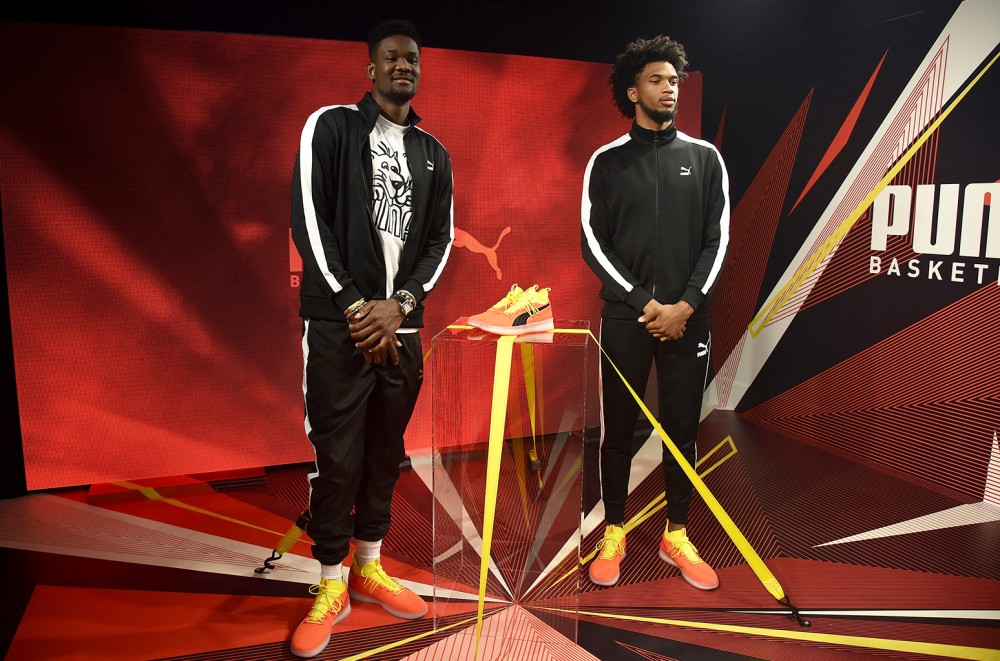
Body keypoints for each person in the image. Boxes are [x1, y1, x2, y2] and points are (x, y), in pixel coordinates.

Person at [288, 18, 454, 658]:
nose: (403, 65)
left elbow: (438, 243)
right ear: (371, 69)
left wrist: (401, 304)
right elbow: (310, 220)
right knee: (338, 456)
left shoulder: (434, 153)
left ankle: (368, 564)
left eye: (412, 58)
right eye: (391, 57)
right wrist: (358, 307)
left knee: (386, 453)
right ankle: (330, 581)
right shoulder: (330, 127)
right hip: (341, 324)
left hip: (402, 327)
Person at [581, 35, 729, 591]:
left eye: (674, 80)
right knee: (618, 430)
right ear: (632, 90)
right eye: (657, 80)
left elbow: (717, 240)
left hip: (688, 319)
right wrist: (645, 302)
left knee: (682, 429)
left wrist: (685, 305)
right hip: (628, 318)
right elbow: (593, 243)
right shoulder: (607, 162)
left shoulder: (705, 158)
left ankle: (677, 532)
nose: (669, 89)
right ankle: (614, 530)